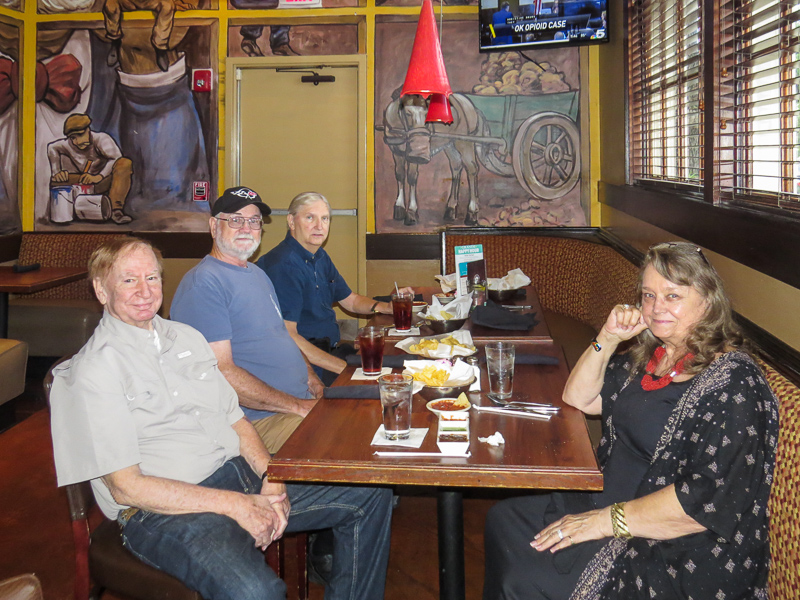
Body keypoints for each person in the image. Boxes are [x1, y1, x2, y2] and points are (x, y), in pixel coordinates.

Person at [49, 237, 393, 600]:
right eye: (129, 279)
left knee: (370, 493)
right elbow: (126, 487)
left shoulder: (187, 338)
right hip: (163, 511)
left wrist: (270, 475)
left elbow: (236, 420)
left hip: (238, 474)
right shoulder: (94, 370)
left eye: (152, 278)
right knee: (254, 592)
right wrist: (238, 506)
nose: (145, 291)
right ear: (101, 290)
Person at [483, 242, 778, 600]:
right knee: (503, 521)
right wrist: (607, 338)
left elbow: (704, 503)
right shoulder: (654, 355)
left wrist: (604, 522)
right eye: (648, 295)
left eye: (673, 296)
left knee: (527, 577)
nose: (656, 308)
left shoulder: (736, 384)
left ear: (708, 301)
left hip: (667, 543)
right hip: (602, 501)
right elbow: (579, 398)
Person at [171, 186, 323, 454]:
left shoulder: (256, 273)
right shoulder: (204, 284)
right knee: (348, 444)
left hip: (299, 402)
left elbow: (282, 336)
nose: (246, 227)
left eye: (253, 221)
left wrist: (312, 378)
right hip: (258, 421)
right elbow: (221, 373)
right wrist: (297, 406)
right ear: (213, 226)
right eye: (235, 220)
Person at [257, 191, 413, 385]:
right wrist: (344, 370)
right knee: (380, 387)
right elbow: (288, 337)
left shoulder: (319, 256)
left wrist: (386, 307)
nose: (319, 226)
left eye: (325, 219)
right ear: (291, 221)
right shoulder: (284, 265)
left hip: (329, 351)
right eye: (309, 217)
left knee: (402, 368)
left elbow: (350, 300)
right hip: (302, 365)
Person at [47, 113, 133, 224]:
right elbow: (52, 148)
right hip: (84, 181)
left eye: (80, 135)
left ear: (88, 130)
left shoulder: (101, 139)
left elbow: (116, 159)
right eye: (73, 137)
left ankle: (115, 210)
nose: (77, 142)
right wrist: (56, 172)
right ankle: (69, 211)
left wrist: (99, 176)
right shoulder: (66, 145)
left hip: (103, 181)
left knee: (125, 163)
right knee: (56, 181)